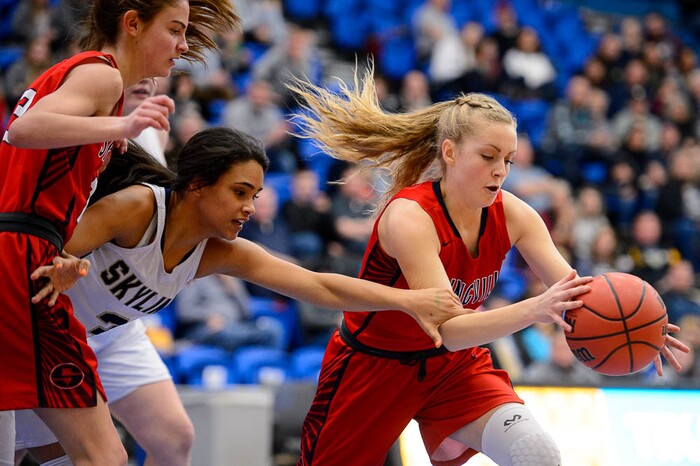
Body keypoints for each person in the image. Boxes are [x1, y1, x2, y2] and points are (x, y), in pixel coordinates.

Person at [287, 67, 689, 466]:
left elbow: (576, 293)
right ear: (449, 152)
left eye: (509, 159)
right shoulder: (410, 217)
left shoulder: (515, 214)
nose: (501, 170)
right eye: (488, 156)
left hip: (452, 369)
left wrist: (640, 328)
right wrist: (533, 309)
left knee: (536, 454)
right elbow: (447, 330)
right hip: (372, 366)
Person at [17, 126, 466, 464]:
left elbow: (316, 284)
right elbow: (44, 250)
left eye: (255, 194)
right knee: (88, 456)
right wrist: (61, 264)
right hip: (42, 328)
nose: (250, 207)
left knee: (174, 440)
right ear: (196, 186)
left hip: (109, 337)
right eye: (239, 192)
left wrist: (405, 299)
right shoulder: (136, 208)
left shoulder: (217, 252)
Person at [0, 0, 240, 464]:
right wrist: (123, 123)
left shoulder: (100, 92)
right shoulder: (102, 75)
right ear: (133, 24)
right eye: (174, 29)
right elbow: (22, 129)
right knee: (103, 456)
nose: (183, 44)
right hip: (18, 255)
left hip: (29, 249)